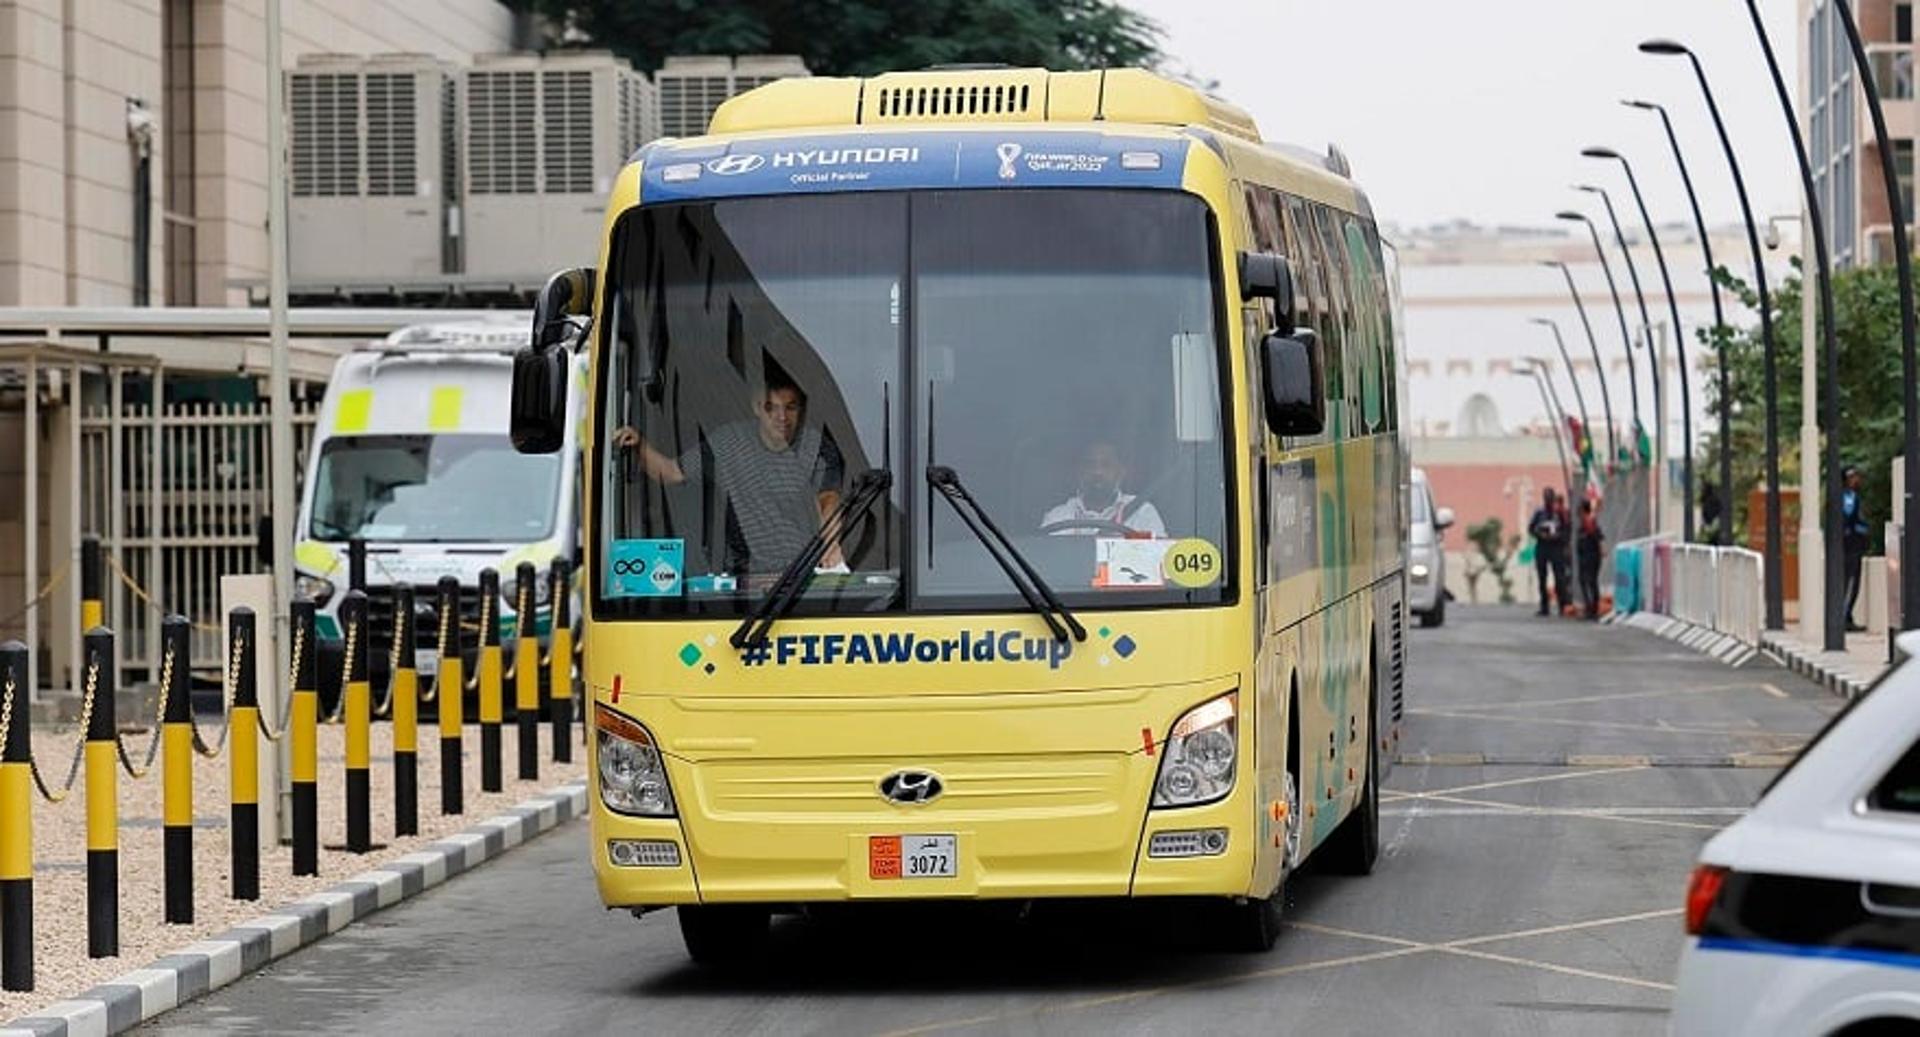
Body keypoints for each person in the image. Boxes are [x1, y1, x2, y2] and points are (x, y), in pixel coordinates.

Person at [613, 377, 846, 576]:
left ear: (802, 409)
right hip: (743, 580)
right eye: (770, 407)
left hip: (802, 575)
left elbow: (828, 500)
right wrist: (639, 445)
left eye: (790, 407)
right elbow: (673, 472)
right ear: (756, 407)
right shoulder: (729, 442)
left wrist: (830, 542)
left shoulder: (817, 448)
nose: (782, 417)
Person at [1041, 441, 1167, 537]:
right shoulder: (1057, 518)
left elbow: (1157, 560)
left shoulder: (1142, 513)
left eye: (1106, 465)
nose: (1098, 472)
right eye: (1090, 464)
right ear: (1079, 472)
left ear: (1120, 472)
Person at [1529, 487, 1571, 616]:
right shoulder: (1539, 512)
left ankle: (1562, 605)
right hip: (1542, 546)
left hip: (1556, 547)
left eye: (1550, 498)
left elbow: (1567, 528)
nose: (1548, 501)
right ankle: (1544, 606)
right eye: (1546, 498)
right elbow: (1531, 528)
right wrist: (1540, 534)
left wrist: (1559, 537)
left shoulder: (1559, 513)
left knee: (1560, 577)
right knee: (1542, 577)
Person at [1841, 464, 1870, 633]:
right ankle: (1844, 617)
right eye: (1852, 477)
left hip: (1852, 543)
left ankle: (1847, 616)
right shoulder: (1848, 497)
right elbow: (1850, 516)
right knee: (1850, 581)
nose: (1856, 480)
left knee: (1852, 581)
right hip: (1850, 544)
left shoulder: (1852, 495)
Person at [1577, 498, 1606, 619]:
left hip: (1591, 557)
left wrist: (1601, 550)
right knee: (1584, 581)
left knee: (1591, 582)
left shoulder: (1590, 524)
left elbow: (1599, 539)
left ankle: (1593, 609)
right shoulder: (1583, 525)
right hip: (1583, 557)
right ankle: (1589, 607)